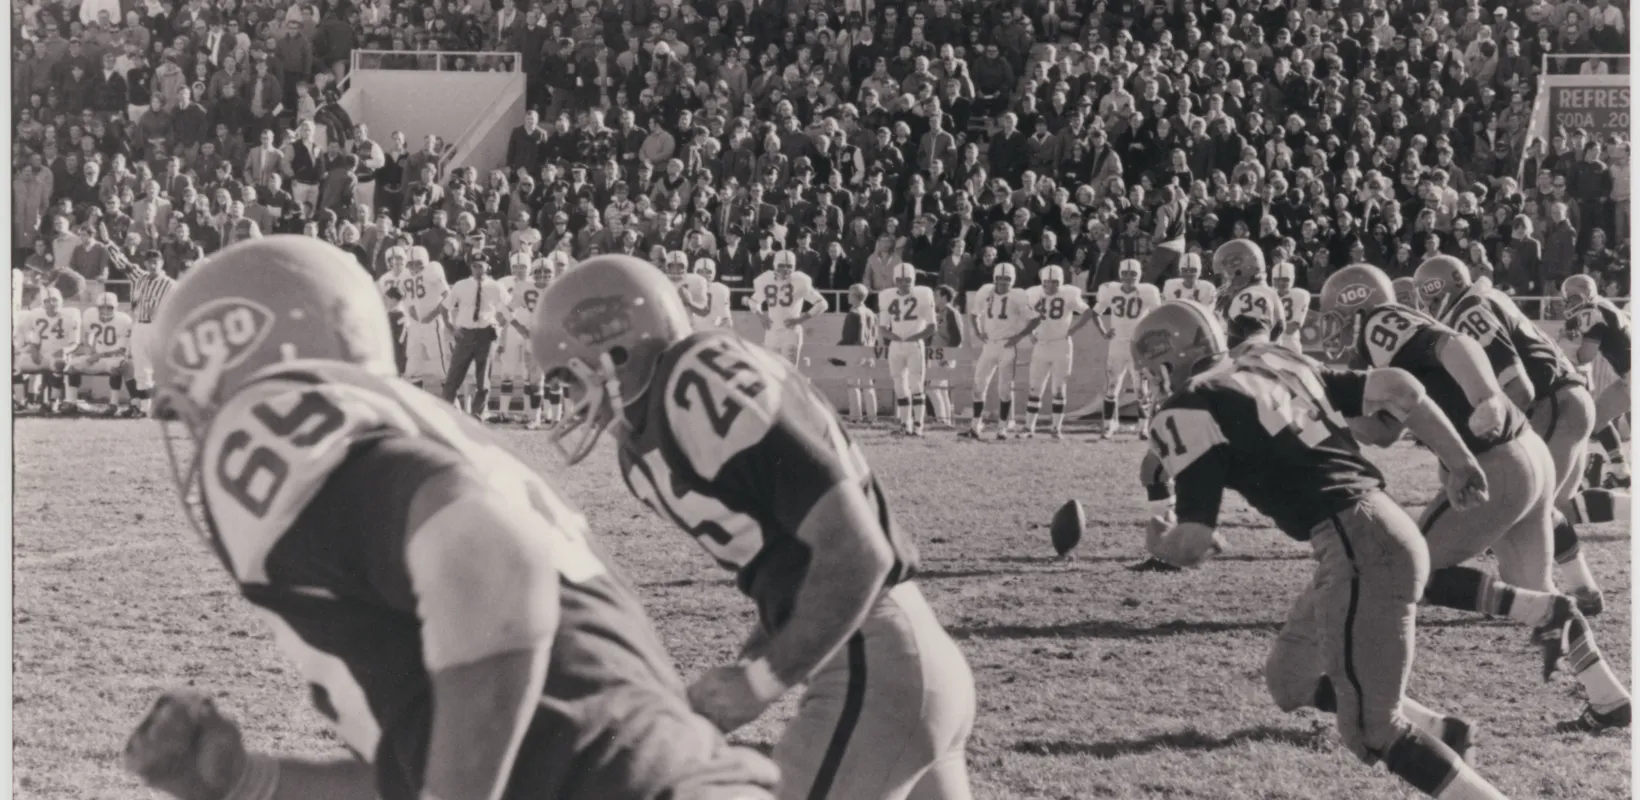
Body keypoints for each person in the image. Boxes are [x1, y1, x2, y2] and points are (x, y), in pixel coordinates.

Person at [123, 237, 779, 800]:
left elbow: (489, 557)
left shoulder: (274, 418)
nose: (195, 437)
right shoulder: (419, 449)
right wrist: (249, 780)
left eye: (190, 412)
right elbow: (450, 764)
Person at [531, 255, 976, 800]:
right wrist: (743, 669)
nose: (571, 399)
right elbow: (797, 572)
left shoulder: (695, 381)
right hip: (907, 659)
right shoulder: (659, 421)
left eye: (571, 377)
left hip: (873, 666)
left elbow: (858, 554)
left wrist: (759, 684)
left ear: (617, 348)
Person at [1133, 300, 1506, 799]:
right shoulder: (1271, 359)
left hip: (1359, 545)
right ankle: (1443, 733)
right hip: (1377, 528)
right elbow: (1399, 386)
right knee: (1289, 679)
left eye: (1152, 367)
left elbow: (1195, 540)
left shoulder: (1191, 402)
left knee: (1375, 731)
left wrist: (1164, 544)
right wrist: (1459, 460)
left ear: (1171, 356)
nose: (1151, 380)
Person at [1319, 263, 1631, 733]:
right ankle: (1608, 697)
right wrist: (1330, 413)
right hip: (1526, 459)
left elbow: (1455, 344)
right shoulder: (1385, 345)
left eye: (1335, 315)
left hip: (1498, 461)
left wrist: (1486, 396)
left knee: (1400, 569)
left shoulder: (1382, 322)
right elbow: (1382, 432)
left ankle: (1378, 708)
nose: (1331, 327)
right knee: (1532, 585)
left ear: (1355, 303)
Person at [1420, 258, 1619, 616]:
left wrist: (1496, 443)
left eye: (1432, 298)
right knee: (1549, 508)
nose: (1430, 307)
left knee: (1525, 500)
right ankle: (1582, 588)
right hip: (1567, 400)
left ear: (1448, 285)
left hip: (1551, 402)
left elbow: (1518, 387)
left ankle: (1568, 593)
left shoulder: (1468, 310)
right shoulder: (1484, 297)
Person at [965, 262, 1039, 439]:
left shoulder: (1018, 296)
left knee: (1004, 388)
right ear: (994, 278)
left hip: (1007, 345)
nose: (1003, 283)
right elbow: (974, 313)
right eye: (1000, 279)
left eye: (1007, 279)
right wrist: (977, 331)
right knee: (978, 384)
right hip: (989, 344)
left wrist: (1019, 337)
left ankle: (1003, 426)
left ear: (1012, 280)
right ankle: (976, 424)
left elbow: (1035, 319)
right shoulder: (986, 291)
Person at [1092, 259, 1161, 439]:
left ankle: (1143, 427)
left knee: (1141, 389)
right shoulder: (1111, 290)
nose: (1129, 278)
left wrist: (1149, 337)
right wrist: (1103, 332)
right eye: (1125, 274)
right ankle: (1108, 426)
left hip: (1137, 346)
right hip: (1116, 346)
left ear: (1139, 275)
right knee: (1112, 387)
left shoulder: (1148, 292)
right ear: (1120, 275)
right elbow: (1095, 312)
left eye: (1133, 274)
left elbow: (1158, 316)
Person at [1023, 265, 1093, 439]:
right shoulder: (1033, 294)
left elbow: (1088, 311)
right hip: (1041, 345)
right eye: (1046, 282)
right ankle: (1028, 428)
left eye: (1054, 282)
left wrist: (1073, 329)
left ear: (1060, 282)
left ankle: (1056, 428)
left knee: (1059, 389)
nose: (1050, 286)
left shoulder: (1069, 294)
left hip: (1061, 345)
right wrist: (1029, 332)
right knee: (1035, 387)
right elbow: (1022, 313)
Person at [877, 262, 937, 436]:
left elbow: (932, 327)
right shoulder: (887, 296)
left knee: (916, 385)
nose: (904, 283)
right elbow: (882, 327)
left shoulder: (923, 294)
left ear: (914, 279)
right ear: (895, 280)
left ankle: (918, 425)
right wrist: (895, 338)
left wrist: (913, 337)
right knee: (899, 385)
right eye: (900, 280)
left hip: (914, 344)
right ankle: (905, 424)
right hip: (896, 345)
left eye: (908, 280)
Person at [443, 257, 506, 417]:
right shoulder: (461, 285)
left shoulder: (495, 286)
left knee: (483, 380)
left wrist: (499, 325)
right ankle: (446, 414)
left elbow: (509, 307)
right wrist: (451, 328)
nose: (477, 269)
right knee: (453, 377)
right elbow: (445, 307)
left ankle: (477, 416)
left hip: (486, 334)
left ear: (488, 266)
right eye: (474, 265)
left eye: (481, 266)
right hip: (465, 334)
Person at [750, 250, 826, 365]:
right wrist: (760, 316)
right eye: (781, 265)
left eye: (789, 266)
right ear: (775, 265)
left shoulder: (800, 281)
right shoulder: (766, 280)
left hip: (790, 333)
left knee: (788, 373)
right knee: (771, 372)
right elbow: (753, 301)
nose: (785, 269)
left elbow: (822, 304)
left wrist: (801, 319)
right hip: (772, 332)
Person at [65, 291, 132, 414]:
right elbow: (89, 334)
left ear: (116, 308)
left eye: (109, 308)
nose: (105, 311)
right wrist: (90, 348)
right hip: (98, 357)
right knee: (72, 366)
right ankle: (71, 402)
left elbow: (122, 350)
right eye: (102, 308)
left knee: (115, 370)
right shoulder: (91, 315)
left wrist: (98, 355)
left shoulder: (124, 320)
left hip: (114, 358)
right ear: (97, 308)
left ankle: (113, 404)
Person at [399, 245, 452, 394]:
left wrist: (434, 313)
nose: (414, 267)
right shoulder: (405, 275)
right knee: (412, 367)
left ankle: (452, 403)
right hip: (416, 325)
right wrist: (410, 309)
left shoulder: (433, 269)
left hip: (432, 323)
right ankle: (417, 404)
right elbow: (407, 299)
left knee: (440, 365)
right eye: (411, 264)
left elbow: (448, 296)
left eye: (418, 263)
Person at [1270, 262, 1311, 353]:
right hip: (1269, 344)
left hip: (1289, 344)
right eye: (1277, 279)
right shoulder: (1266, 295)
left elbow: (1291, 329)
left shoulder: (1300, 295)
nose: (1281, 283)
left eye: (1285, 279)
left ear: (1292, 279)